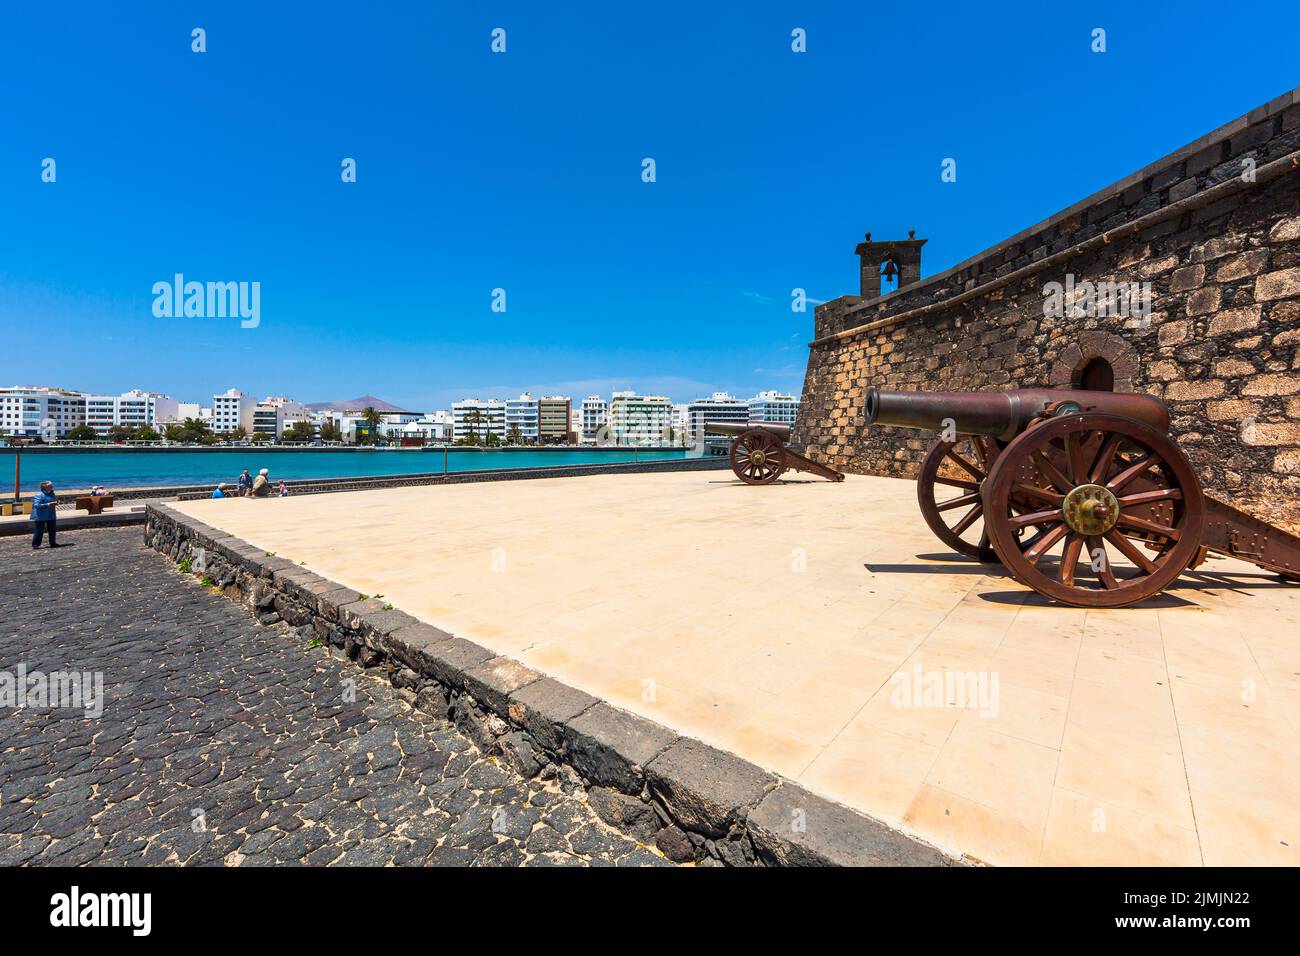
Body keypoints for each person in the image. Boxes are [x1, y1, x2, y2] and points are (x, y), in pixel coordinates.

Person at [30, 481, 61, 549]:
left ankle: (53, 543)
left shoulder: (52, 494)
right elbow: (36, 505)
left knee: (52, 530)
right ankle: (35, 545)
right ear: (45, 487)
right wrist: (48, 504)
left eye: (51, 486)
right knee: (39, 531)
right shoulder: (39, 495)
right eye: (50, 486)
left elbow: (54, 500)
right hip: (40, 516)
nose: (52, 487)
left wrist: (57, 502)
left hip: (51, 514)